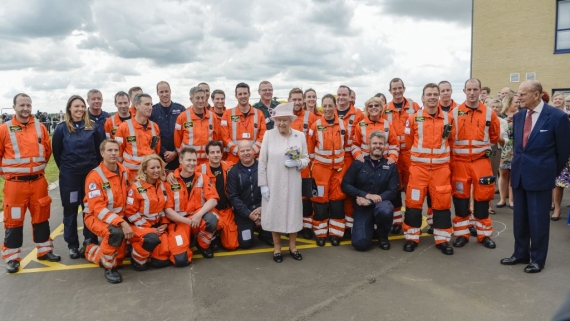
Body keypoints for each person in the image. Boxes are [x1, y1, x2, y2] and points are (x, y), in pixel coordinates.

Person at [501, 80, 570, 273]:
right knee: (520, 219)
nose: (519, 97)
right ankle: (520, 254)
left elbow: (563, 151)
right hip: (520, 175)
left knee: (539, 221)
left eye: (523, 94)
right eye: (518, 94)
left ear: (537, 95)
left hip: (541, 177)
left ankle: (538, 259)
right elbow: (519, 147)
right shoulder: (520, 115)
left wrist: (549, 172)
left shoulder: (557, 117)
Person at [0, 93, 61, 273]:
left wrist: (37, 170)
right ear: (14, 107)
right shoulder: (4, 129)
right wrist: (7, 174)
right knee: (13, 221)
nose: (25, 109)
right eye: (22, 105)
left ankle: (44, 251)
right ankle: (12, 258)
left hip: (38, 183)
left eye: (28, 105)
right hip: (15, 186)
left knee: (41, 217)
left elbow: (47, 151)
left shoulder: (41, 127)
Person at [403, 83, 456, 255]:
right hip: (419, 169)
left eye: (435, 94)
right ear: (422, 97)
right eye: (429, 94)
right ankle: (412, 238)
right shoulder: (413, 118)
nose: (432, 97)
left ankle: (442, 240)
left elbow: (451, 141)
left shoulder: (449, 118)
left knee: (441, 204)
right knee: (413, 203)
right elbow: (409, 141)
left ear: (439, 96)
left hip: (440, 169)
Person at [52, 95, 105, 259]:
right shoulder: (61, 129)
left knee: (90, 209)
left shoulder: (93, 127)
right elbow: (57, 153)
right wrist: (68, 170)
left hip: (90, 176)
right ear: (69, 108)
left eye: (82, 106)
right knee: (71, 211)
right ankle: (72, 245)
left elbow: (99, 150)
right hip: (70, 177)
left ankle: (90, 241)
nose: (80, 109)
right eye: (76, 106)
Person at [450, 78, 500, 250]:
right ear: (464, 91)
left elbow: (494, 136)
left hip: (481, 162)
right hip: (460, 163)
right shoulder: (454, 113)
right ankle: (462, 235)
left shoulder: (489, 113)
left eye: (475, 89)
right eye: (469, 89)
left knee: (482, 200)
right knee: (461, 201)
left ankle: (484, 235)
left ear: (480, 91)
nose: (472, 93)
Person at [258, 102, 310, 263]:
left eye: (285, 120)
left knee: (293, 215)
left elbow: (306, 158)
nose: (281, 123)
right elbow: (262, 161)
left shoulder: (299, 136)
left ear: (290, 121)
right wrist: (263, 184)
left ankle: (293, 247)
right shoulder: (268, 135)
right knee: (275, 214)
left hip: (293, 183)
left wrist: (298, 163)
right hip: (274, 182)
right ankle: (277, 248)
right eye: (278, 120)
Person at [83, 139, 132, 283]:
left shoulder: (124, 170)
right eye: (110, 150)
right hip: (96, 217)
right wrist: (122, 223)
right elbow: (98, 209)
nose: (113, 153)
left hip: (117, 217)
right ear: (102, 153)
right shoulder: (94, 177)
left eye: (116, 150)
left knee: (121, 258)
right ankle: (109, 268)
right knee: (114, 234)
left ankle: (91, 249)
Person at [341, 131, 399, 251]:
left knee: (385, 210)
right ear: (369, 145)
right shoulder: (358, 163)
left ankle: (383, 236)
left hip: (381, 203)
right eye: (375, 143)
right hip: (362, 206)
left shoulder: (391, 165)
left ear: (385, 146)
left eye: (381, 144)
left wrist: (371, 201)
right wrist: (365, 195)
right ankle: (369, 229)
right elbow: (345, 185)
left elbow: (393, 191)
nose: (378, 146)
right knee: (360, 244)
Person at [307, 94, 350, 247]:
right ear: (321, 107)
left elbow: (347, 147)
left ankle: (336, 234)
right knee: (320, 203)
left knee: (337, 202)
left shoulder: (344, 125)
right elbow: (310, 150)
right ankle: (320, 234)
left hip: (338, 171)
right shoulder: (315, 126)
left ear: (335, 106)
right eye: (324, 106)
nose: (327, 109)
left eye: (330, 105)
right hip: (320, 171)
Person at [165, 148, 219, 261]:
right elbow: (168, 211)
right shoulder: (170, 181)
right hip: (180, 222)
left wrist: (199, 215)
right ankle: (186, 240)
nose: (192, 163)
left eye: (194, 160)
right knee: (180, 260)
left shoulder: (202, 178)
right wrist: (187, 222)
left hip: (197, 220)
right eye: (188, 160)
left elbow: (213, 200)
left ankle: (202, 245)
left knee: (212, 219)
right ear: (180, 161)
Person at [385, 78, 420, 235]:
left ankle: (410, 220)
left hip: (410, 154)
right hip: (392, 154)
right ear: (390, 91)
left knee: (411, 189)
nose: (397, 91)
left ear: (404, 89)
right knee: (394, 189)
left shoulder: (414, 106)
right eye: (394, 88)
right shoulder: (385, 109)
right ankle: (396, 221)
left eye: (400, 88)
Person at [124, 154, 170, 270]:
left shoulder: (162, 185)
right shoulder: (135, 188)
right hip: (139, 226)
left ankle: (145, 248)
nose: (156, 171)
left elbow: (163, 208)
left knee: (161, 262)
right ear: (144, 170)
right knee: (151, 240)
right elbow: (130, 213)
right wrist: (149, 227)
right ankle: (136, 258)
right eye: (152, 168)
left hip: (158, 227)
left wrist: (164, 224)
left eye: (158, 167)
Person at [227, 140, 274, 248]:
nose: (246, 153)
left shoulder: (263, 168)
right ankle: (252, 225)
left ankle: (264, 232)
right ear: (238, 153)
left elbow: (272, 189)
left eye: (248, 150)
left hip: (263, 208)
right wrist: (248, 214)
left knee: (271, 239)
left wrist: (262, 208)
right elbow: (233, 197)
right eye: (242, 151)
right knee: (245, 243)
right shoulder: (233, 172)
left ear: (253, 151)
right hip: (245, 212)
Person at [197, 140, 239, 251]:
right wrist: (170, 174)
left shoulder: (229, 166)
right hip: (211, 210)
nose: (215, 155)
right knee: (214, 223)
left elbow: (245, 163)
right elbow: (182, 171)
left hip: (226, 209)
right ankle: (212, 237)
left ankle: (220, 235)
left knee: (231, 245)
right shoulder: (200, 169)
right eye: (212, 152)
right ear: (207, 155)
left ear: (221, 153)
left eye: (218, 152)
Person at [336, 85, 365, 237]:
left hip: (351, 158)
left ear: (349, 96)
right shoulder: (330, 112)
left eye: (344, 95)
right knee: (336, 194)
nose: (341, 98)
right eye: (339, 95)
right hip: (333, 159)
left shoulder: (358, 114)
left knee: (349, 192)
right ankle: (338, 227)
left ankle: (349, 227)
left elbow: (362, 136)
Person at [289, 88, 318, 238]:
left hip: (306, 163)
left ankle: (306, 227)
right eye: (294, 99)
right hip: (288, 164)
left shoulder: (311, 116)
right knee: (290, 195)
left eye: (300, 99)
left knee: (305, 196)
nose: (297, 102)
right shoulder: (285, 117)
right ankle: (291, 225)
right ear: (289, 100)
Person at [115, 93, 161, 181]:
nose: (150, 107)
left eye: (151, 104)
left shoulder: (155, 127)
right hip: (131, 176)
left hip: (150, 176)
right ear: (136, 105)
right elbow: (118, 155)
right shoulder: (123, 127)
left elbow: (156, 151)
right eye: (147, 104)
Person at [220, 83, 267, 164]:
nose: (243, 96)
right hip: (233, 159)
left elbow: (263, 135)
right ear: (236, 96)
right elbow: (224, 136)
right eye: (240, 94)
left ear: (249, 94)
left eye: (245, 93)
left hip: (254, 159)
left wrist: (252, 152)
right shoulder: (227, 114)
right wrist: (238, 151)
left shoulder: (259, 114)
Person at [174, 86, 219, 165]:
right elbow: (177, 140)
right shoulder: (182, 117)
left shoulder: (212, 116)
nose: (201, 101)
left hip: (207, 161)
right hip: (189, 161)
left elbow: (216, 138)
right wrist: (182, 157)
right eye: (197, 98)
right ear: (191, 100)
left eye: (203, 98)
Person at [150, 81, 185, 171]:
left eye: (166, 91)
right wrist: (164, 152)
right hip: (159, 156)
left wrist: (175, 152)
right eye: (161, 92)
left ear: (170, 91)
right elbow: (150, 134)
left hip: (178, 155)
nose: (164, 94)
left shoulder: (180, 109)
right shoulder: (153, 111)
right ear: (157, 93)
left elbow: (185, 133)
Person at [352, 96, 399, 163]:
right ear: (367, 109)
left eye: (376, 105)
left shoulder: (388, 125)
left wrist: (392, 158)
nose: (373, 107)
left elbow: (394, 145)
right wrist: (358, 155)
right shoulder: (360, 125)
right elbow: (355, 144)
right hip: (365, 162)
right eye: (370, 106)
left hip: (384, 161)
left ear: (381, 108)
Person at [496, 93, 519, 209]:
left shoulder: (521, 115)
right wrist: (504, 121)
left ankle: (511, 200)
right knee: (503, 173)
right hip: (504, 147)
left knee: (513, 174)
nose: (518, 104)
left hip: (516, 148)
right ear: (509, 102)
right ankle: (502, 199)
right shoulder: (501, 115)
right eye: (515, 102)